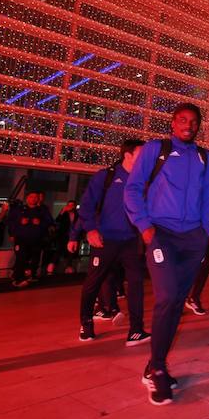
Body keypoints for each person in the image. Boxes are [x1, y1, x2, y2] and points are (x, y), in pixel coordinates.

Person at [124, 103, 209, 406]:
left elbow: (208, 198)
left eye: (193, 121)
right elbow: (133, 188)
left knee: (177, 300)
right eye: (182, 120)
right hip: (161, 234)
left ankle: (155, 363)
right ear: (173, 124)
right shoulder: (155, 149)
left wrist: (205, 233)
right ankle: (158, 368)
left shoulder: (206, 157)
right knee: (166, 296)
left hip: (193, 238)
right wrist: (145, 228)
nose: (188, 125)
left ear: (198, 126)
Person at [74, 140, 150, 346]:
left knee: (136, 284)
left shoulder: (143, 181)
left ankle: (136, 330)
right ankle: (86, 323)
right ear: (128, 155)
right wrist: (89, 229)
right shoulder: (105, 177)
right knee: (93, 282)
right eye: (141, 155)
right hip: (105, 240)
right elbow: (87, 205)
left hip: (131, 241)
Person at [7, 192, 54, 287]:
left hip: (36, 238)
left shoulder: (42, 210)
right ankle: (18, 278)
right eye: (31, 197)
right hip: (21, 238)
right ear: (27, 198)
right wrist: (19, 222)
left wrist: (40, 223)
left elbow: (50, 221)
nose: (33, 199)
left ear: (38, 199)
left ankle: (32, 275)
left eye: (36, 197)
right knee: (21, 258)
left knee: (35, 257)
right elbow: (9, 221)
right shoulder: (19, 209)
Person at [185, 212, 209, 316]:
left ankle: (193, 298)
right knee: (184, 270)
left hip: (200, 240)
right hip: (184, 239)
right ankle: (183, 300)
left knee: (202, 269)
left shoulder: (206, 200)